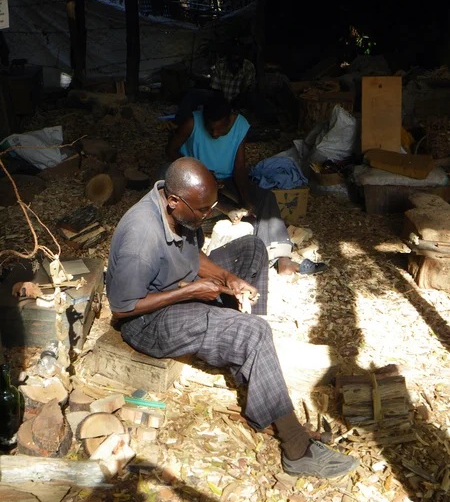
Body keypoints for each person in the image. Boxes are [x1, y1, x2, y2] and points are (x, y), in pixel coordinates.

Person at [106, 157, 359, 479]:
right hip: (149, 322)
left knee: (253, 247)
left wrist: (229, 279)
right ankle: (297, 450)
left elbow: (191, 254)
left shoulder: (180, 210)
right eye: (203, 210)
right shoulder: (140, 237)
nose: (209, 214)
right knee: (252, 333)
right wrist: (190, 292)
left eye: (212, 207)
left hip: (182, 292)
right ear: (173, 201)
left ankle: (253, 346)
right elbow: (123, 307)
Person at [167, 96, 327, 276]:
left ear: (230, 120)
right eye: (210, 128)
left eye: (221, 128)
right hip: (196, 182)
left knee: (266, 198)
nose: (215, 133)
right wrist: (198, 171)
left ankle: (283, 259)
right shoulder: (191, 123)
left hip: (224, 180)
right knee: (209, 200)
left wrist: (246, 200)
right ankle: (234, 218)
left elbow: (239, 167)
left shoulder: (240, 125)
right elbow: (170, 150)